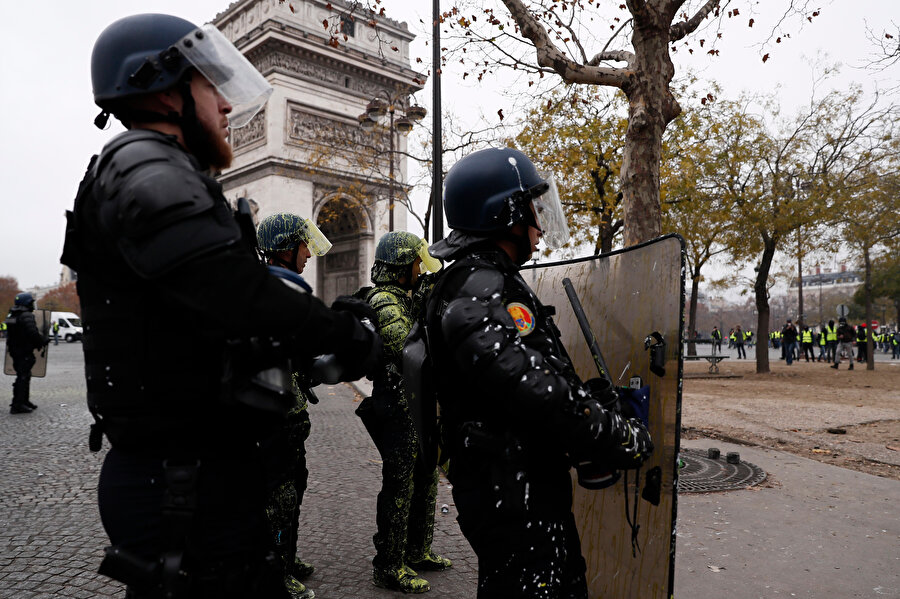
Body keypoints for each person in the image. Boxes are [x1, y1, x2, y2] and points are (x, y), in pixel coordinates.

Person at [61, 14, 381, 599]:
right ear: (165, 90)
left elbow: (204, 315)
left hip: (189, 469)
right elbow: (237, 295)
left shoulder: (144, 170)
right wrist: (345, 335)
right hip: (180, 478)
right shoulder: (148, 168)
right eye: (212, 89)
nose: (229, 109)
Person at [420, 147, 653, 598]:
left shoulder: (483, 281)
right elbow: (538, 394)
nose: (540, 224)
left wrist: (586, 396)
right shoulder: (479, 291)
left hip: (516, 491)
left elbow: (526, 382)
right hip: (513, 501)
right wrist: (620, 436)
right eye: (532, 208)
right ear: (504, 214)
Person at [356, 231, 449, 593]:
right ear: (399, 268)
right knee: (399, 487)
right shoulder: (383, 300)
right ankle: (389, 565)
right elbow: (403, 346)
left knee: (425, 480)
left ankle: (417, 551)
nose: (418, 270)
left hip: (417, 405)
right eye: (414, 263)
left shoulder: (404, 296)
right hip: (396, 407)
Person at [257, 213, 335, 599]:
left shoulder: (278, 290)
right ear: (285, 248)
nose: (308, 253)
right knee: (278, 499)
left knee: (294, 491)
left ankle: (286, 558)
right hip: (273, 422)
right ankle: (274, 572)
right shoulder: (272, 294)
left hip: (290, 416)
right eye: (303, 245)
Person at [5, 292, 48, 414]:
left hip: (15, 350)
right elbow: (32, 333)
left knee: (24, 375)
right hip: (23, 350)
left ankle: (24, 401)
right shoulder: (26, 315)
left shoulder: (12, 315)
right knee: (23, 377)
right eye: (31, 302)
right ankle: (18, 404)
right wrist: (42, 340)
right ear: (27, 303)